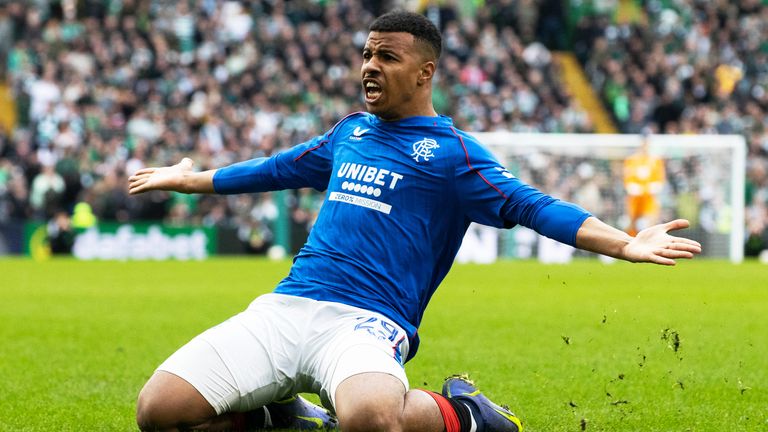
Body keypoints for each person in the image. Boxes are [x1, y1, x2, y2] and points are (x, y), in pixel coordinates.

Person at [129, 11, 701, 432]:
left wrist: (624, 243)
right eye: (366, 55)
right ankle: (289, 421)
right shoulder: (349, 132)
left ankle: (467, 414)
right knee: (158, 413)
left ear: (425, 72)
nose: (369, 67)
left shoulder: (452, 153)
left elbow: (533, 205)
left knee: (372, 423)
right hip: (287, 306)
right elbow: (274, 169)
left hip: (368, 323)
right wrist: (193, 178)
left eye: (386, 57)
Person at [623, 134, 666, 236]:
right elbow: (627, 179)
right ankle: (630, 244)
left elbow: (660, 180)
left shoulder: (656, 160)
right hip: (634, 198)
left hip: (649, 198)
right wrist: (632, 187)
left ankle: (650, 245)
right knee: (631, 222)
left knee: (651, 222)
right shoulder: (631, 160)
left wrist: (653, 187)